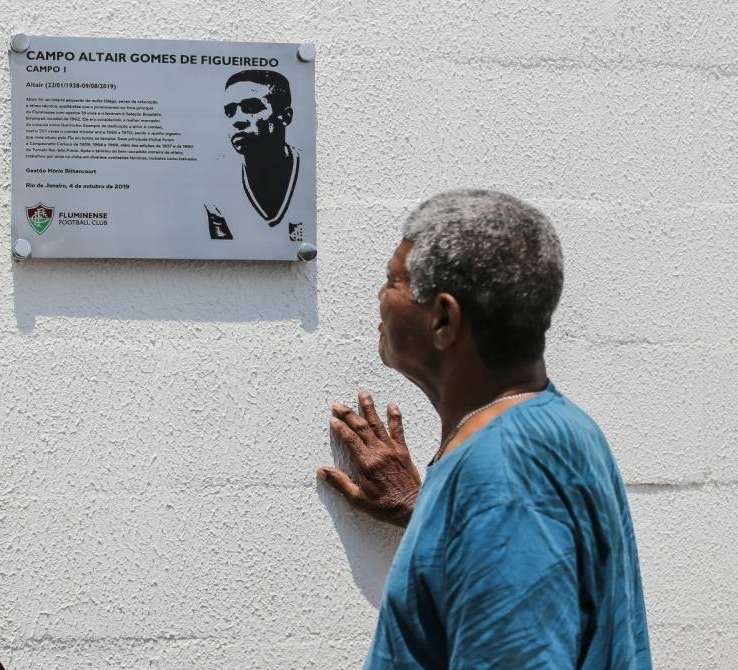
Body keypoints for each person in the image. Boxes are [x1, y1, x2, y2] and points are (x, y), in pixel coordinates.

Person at [317, 190, 651, 668]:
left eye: (393, 281)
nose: (380, 296)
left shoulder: (506, 474)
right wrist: (430, 510)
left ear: (444, 320)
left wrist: (470, 500)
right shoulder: (559, 429)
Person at [205, 69, 305, 245]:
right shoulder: (216, 189)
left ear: (284, 116)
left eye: (251, 108)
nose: (237, 120)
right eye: (230, 112)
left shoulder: (310, 173)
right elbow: (222, 251)